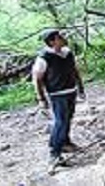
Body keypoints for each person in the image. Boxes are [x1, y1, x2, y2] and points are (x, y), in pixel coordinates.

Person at [32, 29, 85, 170]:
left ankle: (66, 143)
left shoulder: (67, 53)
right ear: (52, 41)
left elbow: (74, 69)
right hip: (57, 94)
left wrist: (80, 86)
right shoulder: (44, 58)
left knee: (68, 118)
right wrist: (41, 98)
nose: (63, 38)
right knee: (60, 122)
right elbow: (37, 78)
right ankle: (54, 153)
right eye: (59, 37)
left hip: (70, 90)